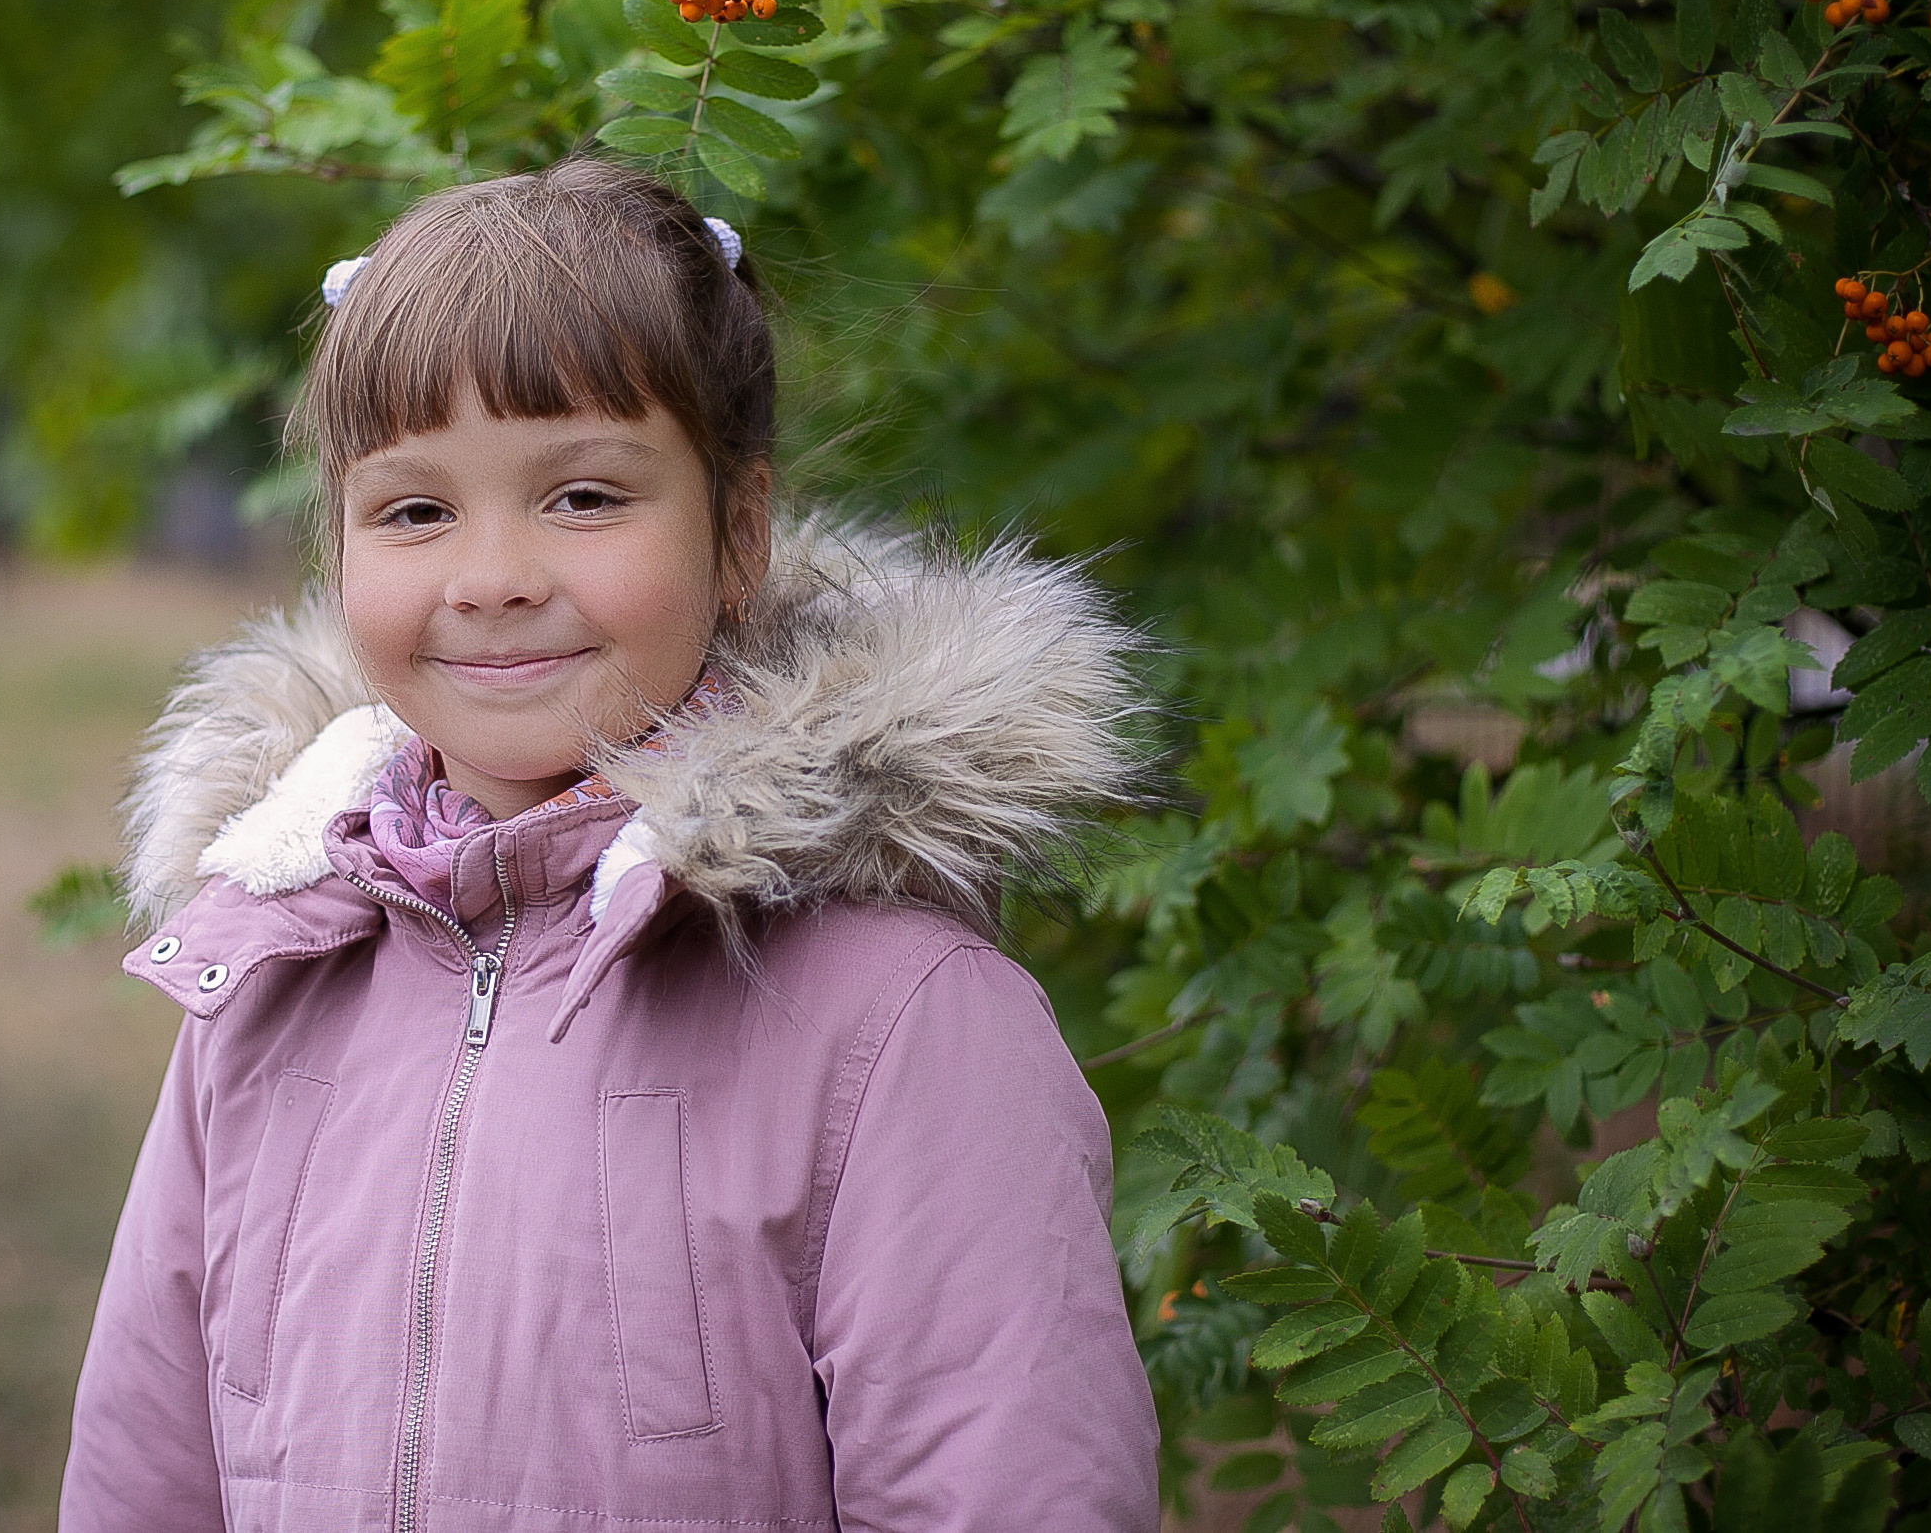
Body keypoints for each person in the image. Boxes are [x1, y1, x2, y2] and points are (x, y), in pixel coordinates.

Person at [60, 158, 1163, 1533]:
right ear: (335, 549)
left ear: (737, 532)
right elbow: (142, 1471)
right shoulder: (267, 977)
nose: (492, 574)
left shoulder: (901, 1023)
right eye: (414, 510)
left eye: (582, 497)